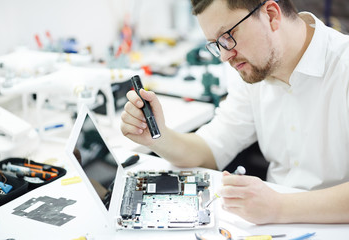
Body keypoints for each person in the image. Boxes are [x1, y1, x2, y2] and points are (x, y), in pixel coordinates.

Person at [120, 0, 349, 224]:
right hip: (272, 225)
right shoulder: (253, 70)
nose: (224, 56)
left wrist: (279, 207)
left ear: (270, 15)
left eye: (228, 36)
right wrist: (157, 136)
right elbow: (209, 149)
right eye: (215, 44)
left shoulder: (343, 65)